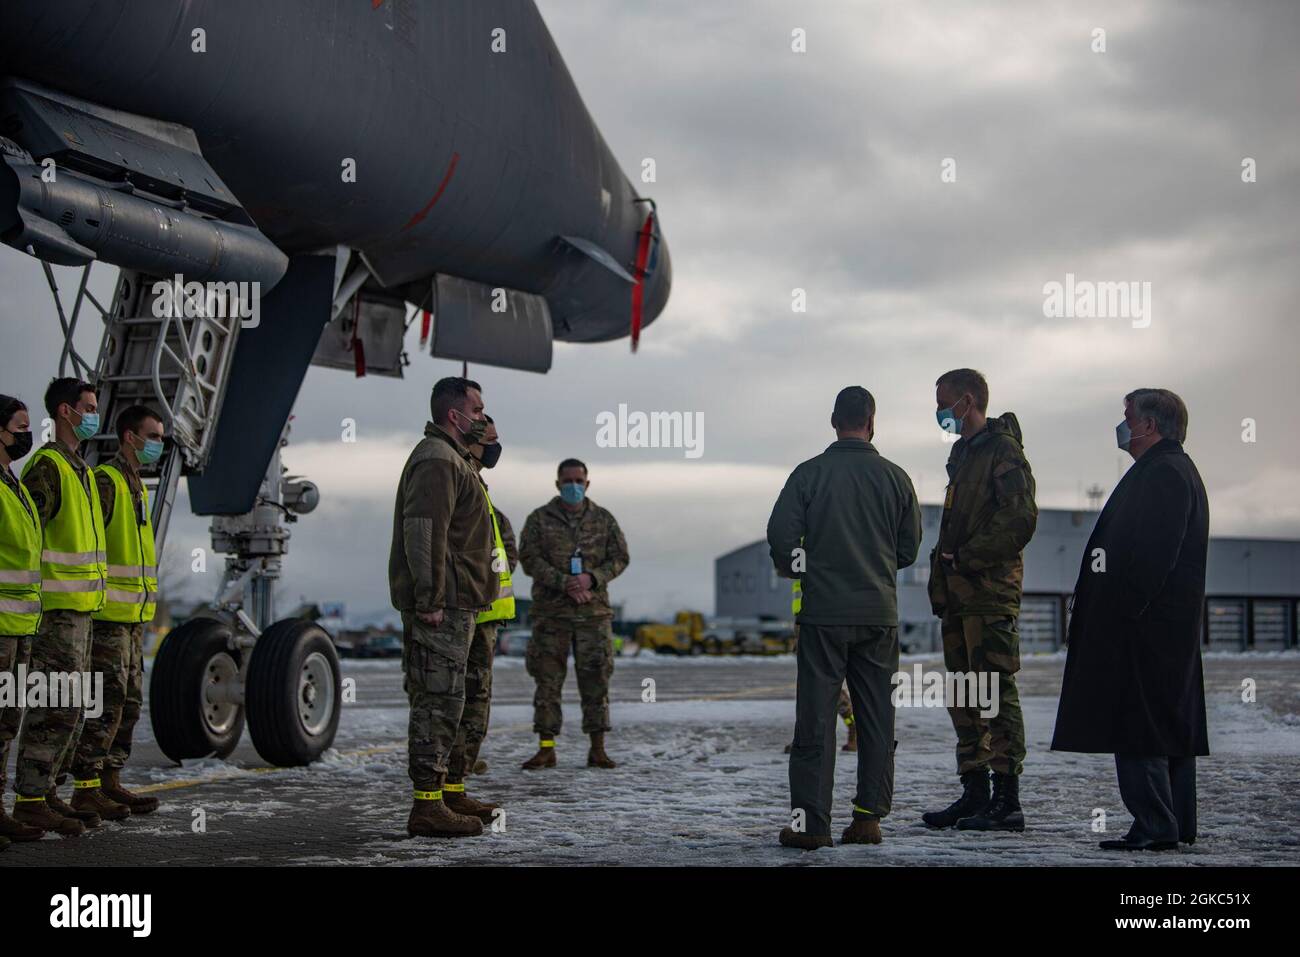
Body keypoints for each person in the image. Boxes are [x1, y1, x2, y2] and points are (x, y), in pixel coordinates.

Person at [1052, 389, 1208, 851]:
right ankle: (1176, 822)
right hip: (1160, 630)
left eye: (1127, 417)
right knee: (1166, 725)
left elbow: (1155, 555)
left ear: (1149, 425)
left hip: (1143, 631)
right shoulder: (1170, 469)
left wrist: (1122, 612)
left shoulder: (1163, 474)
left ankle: (1156, 825)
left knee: (1140, 727)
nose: (1122, 425)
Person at [767, 386, 921, 849]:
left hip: (823, 617)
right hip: (879, 616)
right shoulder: (896, 478)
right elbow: (909, 549)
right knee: (877, 720)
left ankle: (811, 825)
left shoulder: (808, 475)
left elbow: (780, 538)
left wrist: (804, 568)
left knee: (814, 721)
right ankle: (868, 818)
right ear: (872, 422)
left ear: (834, 421)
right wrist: (872, 567)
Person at [922, 369, 1037, 833]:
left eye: (944, 403)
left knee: (994, 691)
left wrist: (966, 558)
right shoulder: (962, 453)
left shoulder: (1003, 450)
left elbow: (1019, 520)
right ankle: (975, 792)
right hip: (958, 597)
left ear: (968, 401)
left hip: (988, 594)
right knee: (966, 694)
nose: (940, 412)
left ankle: (1007, 800)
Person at [389, 377, 498, 838]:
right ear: (454, 415)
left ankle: (450, 792)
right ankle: (427, 806)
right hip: (445, 604)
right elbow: (424, 531)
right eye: (477, 410)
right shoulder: (437, 459)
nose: (483, 419)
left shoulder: (455, 460)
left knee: (459, 699)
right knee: (437, 701)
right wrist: (430, 598)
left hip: (464, 602)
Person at [12, 378, 109, 836]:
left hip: (82, 611)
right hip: (55, 614)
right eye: (88, 407)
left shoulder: (80, 469)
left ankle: (47, 791)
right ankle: (30, 797)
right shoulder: (48, 467)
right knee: (53, 706)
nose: (95, 414)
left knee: (72, 708)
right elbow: (29, 537)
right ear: (66, 412)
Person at [66, 405, 165, 816]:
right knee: (103, 704)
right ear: (130, 437)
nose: (158, 444)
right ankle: (86, 786)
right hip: (108, 617)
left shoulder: (136, 484)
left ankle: (109, 780)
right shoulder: (106, 481)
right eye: (153, 436)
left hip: (132, 619)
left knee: (128, 704)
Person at [518, 458, 629, 770]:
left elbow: (620, 557)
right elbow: (528, 558)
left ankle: (598, 748)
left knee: (596, 682)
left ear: (587, 483)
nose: (573, 487)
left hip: (592, 616)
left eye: (579, 481)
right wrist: (563, 582)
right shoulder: (539, 520)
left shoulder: (604, 519)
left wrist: (591, 578)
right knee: (547, 683)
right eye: (567, 481)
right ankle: (546, 747)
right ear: (557, 484)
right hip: (552, 616)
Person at [443, 415, 516, 819]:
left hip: (485, 615)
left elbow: (504, 548)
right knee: (451, 702)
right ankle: (436, 797)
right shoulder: (452, 472)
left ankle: (456, 788)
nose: (495, 445)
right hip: (464, 610)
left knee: (476, 704)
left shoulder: (477, 484)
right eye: (491, 438)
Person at [0, 395, 46, 848]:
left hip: (18, 627)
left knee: (6, 723)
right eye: (19, 426)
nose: (26, 435)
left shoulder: (12, 483)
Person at [785, 579, 856, 754]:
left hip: (815, 619)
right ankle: (853, 727)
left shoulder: (809, 552)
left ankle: (811, 737)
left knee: (817, 682)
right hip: (811, 617)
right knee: (820, 682)